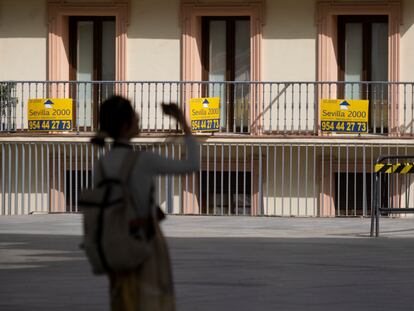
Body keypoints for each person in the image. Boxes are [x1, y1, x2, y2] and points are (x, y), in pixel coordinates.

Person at [91, 95, 199, 311]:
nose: (139, 118)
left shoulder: (102, 165)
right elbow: (192, 164)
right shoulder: (144, 160)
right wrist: (183, 122)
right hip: (146, 243)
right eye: (134, 115)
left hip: (116, 247)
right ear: (125, 125)